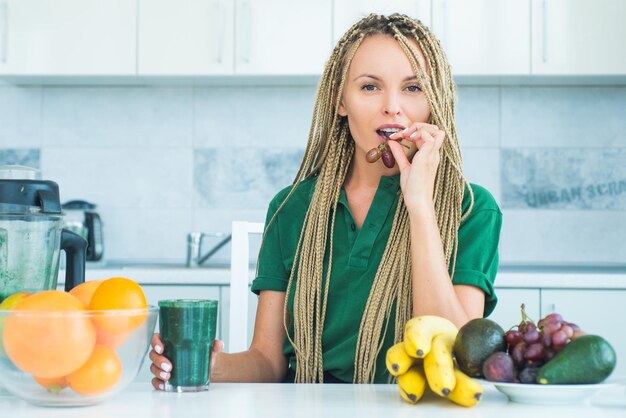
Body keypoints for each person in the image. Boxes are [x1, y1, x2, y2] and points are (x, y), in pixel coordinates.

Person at [149, 13, 502, 387]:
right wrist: (208, 367)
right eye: (370, 87)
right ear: (340, 101)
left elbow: (453, 356)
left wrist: (419, 206)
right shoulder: (291, 209)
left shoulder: (470, 209)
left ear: (436, 101)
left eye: (413, 88)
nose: (393, 106)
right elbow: (268, 361)